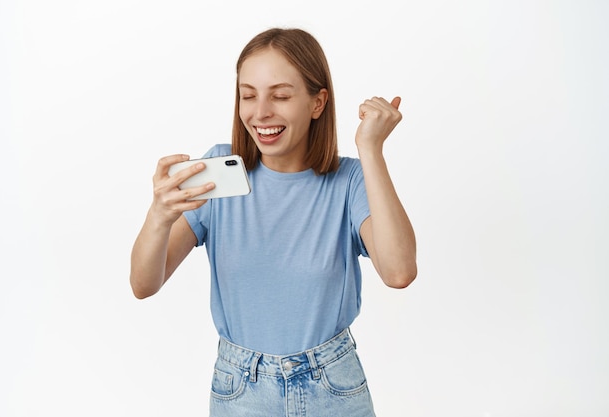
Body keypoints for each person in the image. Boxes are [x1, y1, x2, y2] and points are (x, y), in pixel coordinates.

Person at [130, 27, 417, 417]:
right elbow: (144, 284)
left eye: (280, 96)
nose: (260, 112)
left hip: (332, 387)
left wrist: (371, 150)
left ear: (317, 103)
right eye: (248, 95)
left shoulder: (349, 181)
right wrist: (158, 216)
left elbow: (399, 272)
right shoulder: (218, 175)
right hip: (241, 389)